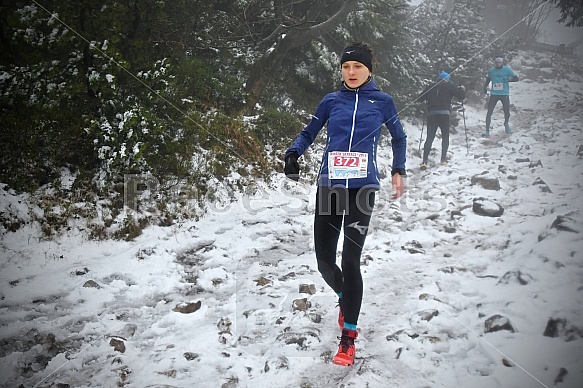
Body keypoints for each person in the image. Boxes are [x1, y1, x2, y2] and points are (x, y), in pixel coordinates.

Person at [283, 42, 407, 367]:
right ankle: (344, 295)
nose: (351, 73)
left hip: (362, 190)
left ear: (369, 70)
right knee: (325, 262)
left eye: (358, 67)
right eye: (346, 67)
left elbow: (399, 137)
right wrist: (294, 152)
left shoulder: (382, 102)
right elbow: (309, 131)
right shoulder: (331, 101)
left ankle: (348, 338)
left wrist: (398, 169)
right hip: (329, 187)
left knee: (351, 261)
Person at [416, 72, 465, 168]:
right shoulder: (449, 86)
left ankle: (424, 161)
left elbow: (419, 99)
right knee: (445, 136)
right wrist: (462, 89)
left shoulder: (430, 86)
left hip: (431, 114)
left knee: (430, 137)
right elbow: (460, 96)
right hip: (444, 114)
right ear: (447, 79)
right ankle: (443, 159)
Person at [482, 57, 519, 137]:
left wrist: (508, 80)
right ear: (495, 63)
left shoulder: (507, 70)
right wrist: (484, 90)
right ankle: (487, 131)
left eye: (500, 63)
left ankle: (506, 123)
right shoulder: (491, 71)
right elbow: (487, 81)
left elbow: (516, 78)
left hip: (504, 93)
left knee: (506, 111)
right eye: (497, 62)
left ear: (502, 63)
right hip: (494, 94)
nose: (498, 64)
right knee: (489, 112)